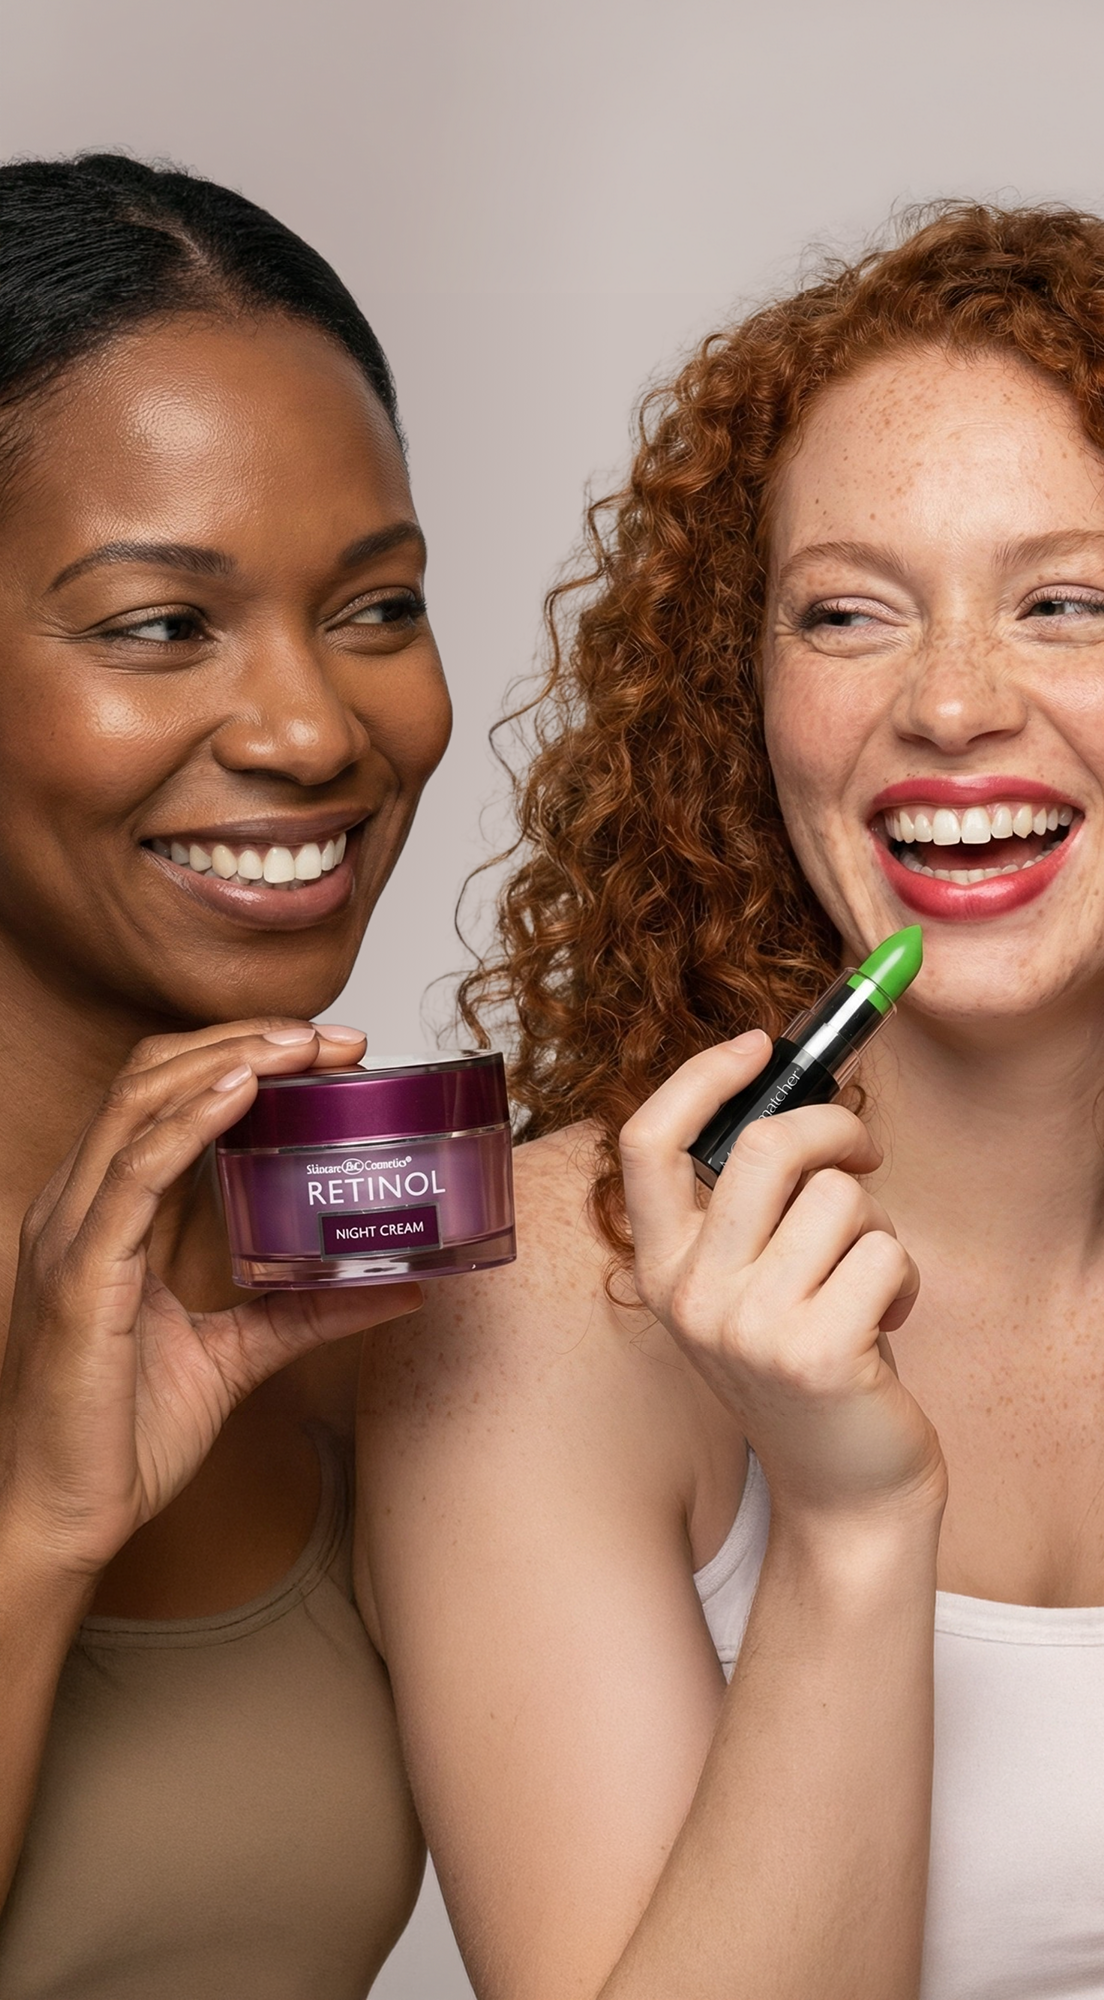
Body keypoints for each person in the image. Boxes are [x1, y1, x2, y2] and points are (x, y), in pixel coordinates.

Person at [360, 203, 1104, 1999]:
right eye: (847, 614)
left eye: (1067, 603)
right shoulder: (544, 1306)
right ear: (740, 694)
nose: (950, 703)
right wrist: (851, 1525)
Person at [0, 155, 451, 1998]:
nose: (312, 730)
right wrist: (42, 1530)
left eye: (375, 607)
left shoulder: (362, 1282)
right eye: (161, 626)